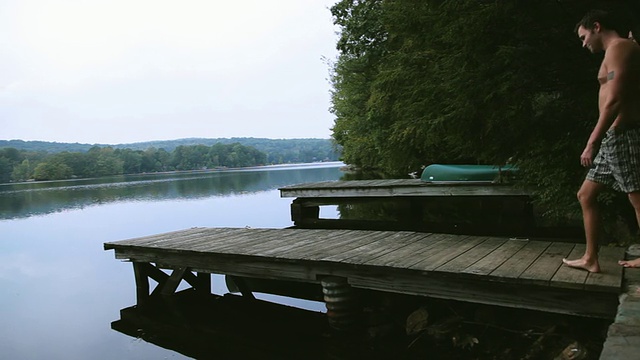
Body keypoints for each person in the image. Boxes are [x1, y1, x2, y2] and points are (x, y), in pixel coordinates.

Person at [562, 9, 640, 272]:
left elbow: (615, 99)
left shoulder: (619, 47)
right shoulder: (620, 50)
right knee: (586, 195)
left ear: (597, 27)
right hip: (613, 137)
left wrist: (592, 141)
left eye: (584, 37)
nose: (584, 44)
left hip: (623, 134)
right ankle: (590, 258)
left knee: (638, 198)